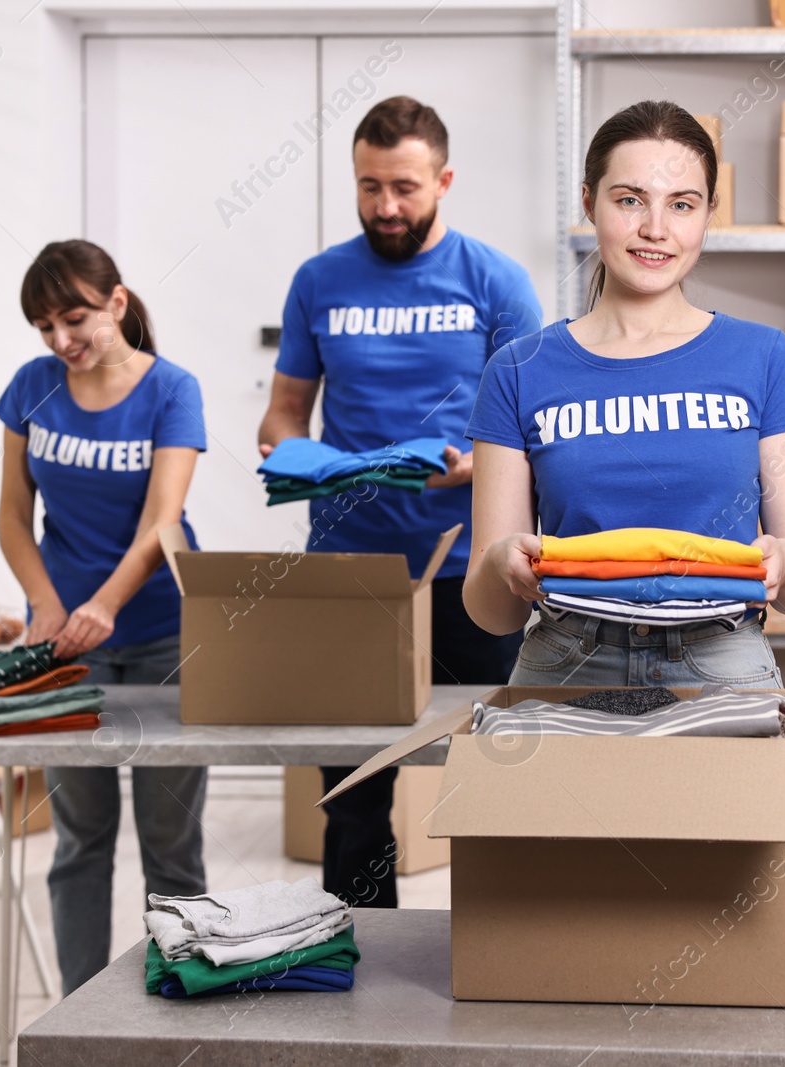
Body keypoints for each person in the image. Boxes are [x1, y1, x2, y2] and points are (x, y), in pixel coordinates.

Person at [257, 96, 542, 909]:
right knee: (350, 790)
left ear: (444, 181)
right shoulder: (318, 280)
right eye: (369, 186)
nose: (386, 207)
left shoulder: (495, 280)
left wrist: (480, 462)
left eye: (406, 188)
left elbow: (538, 422)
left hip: (471, 569)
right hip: (349, 569)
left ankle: (502, 944)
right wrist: (284, 444)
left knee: (492, 767)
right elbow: (285, 407)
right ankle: (357, 959)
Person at [464, 99, 785, 690]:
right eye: (630, 199)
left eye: (681, 205)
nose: (655, 229)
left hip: (721, 662)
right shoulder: (517, 369)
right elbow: (492, 612)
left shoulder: (765, 357)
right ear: (590, 202)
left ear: (709, 213)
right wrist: (501, 562)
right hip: (567, 663)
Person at [0, 239, 208, 995]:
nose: (61, 341)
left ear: (116, 303)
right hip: (64, 641)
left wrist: (105, 605)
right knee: (80, 840)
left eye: (75, 318)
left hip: (162, 636)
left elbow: (163, 524)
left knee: (171, 843)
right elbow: (13, 519)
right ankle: (80, 1013)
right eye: (45, 326)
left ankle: (182, 1000)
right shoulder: (31, 387)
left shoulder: (173, 391)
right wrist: (49, 605)